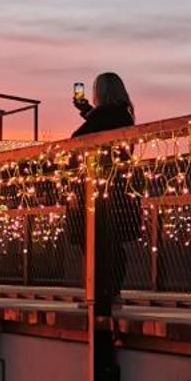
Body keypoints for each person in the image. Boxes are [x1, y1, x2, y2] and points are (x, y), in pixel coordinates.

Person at [67, 73, 141, 312]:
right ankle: (112, 292)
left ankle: (99, 292)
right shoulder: (123, 114)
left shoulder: (106, 115)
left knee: (94, 239)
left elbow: (79, 138)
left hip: (97, 185)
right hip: (119, 185)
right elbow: (100, 124)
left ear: (101, 92)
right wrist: (86, 109)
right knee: (112, 239)